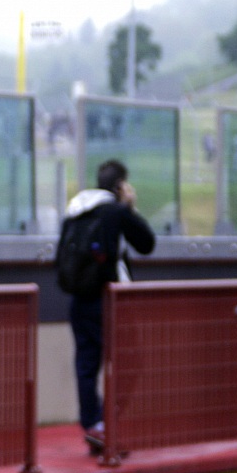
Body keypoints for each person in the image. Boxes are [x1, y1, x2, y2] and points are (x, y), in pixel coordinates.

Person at [62, 159, 156, 454]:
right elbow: (146, 243)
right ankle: (106, 424)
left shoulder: (75, 211)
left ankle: (94, 425)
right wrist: (129, 206)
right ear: (120, 186)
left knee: (87, 365)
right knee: (131, 361)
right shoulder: (115, 211)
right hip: (110, 300)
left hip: (79, 301)